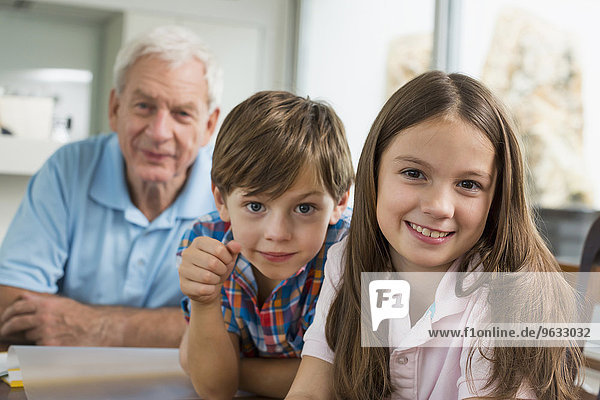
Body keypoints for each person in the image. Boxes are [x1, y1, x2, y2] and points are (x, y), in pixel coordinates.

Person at [285, 71, 582, 400]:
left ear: (496, 199)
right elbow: (311, 391)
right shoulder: (347, 258)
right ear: (373, 174)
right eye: (414, 173)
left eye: (468, 184)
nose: (439, 207)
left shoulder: (508, 293)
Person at [0, 25, 222, 348]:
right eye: (144, 106)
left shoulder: (234, 189)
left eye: (182, 113)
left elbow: (241, 327)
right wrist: (180, 326)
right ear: (115, 109)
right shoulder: (67, 169)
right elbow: (9, 306)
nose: (160, 132)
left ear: (209, 125)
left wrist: (100, 327)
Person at [177, 90, 354, 399]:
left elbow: (350, 383)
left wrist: (233, 369)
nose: (277, 233)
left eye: (304, 208)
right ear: (221, 199)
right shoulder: (208, 240)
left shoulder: (356, 249)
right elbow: (215, 390)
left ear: (339, 202)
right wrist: (204, 303)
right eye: (256, 206)